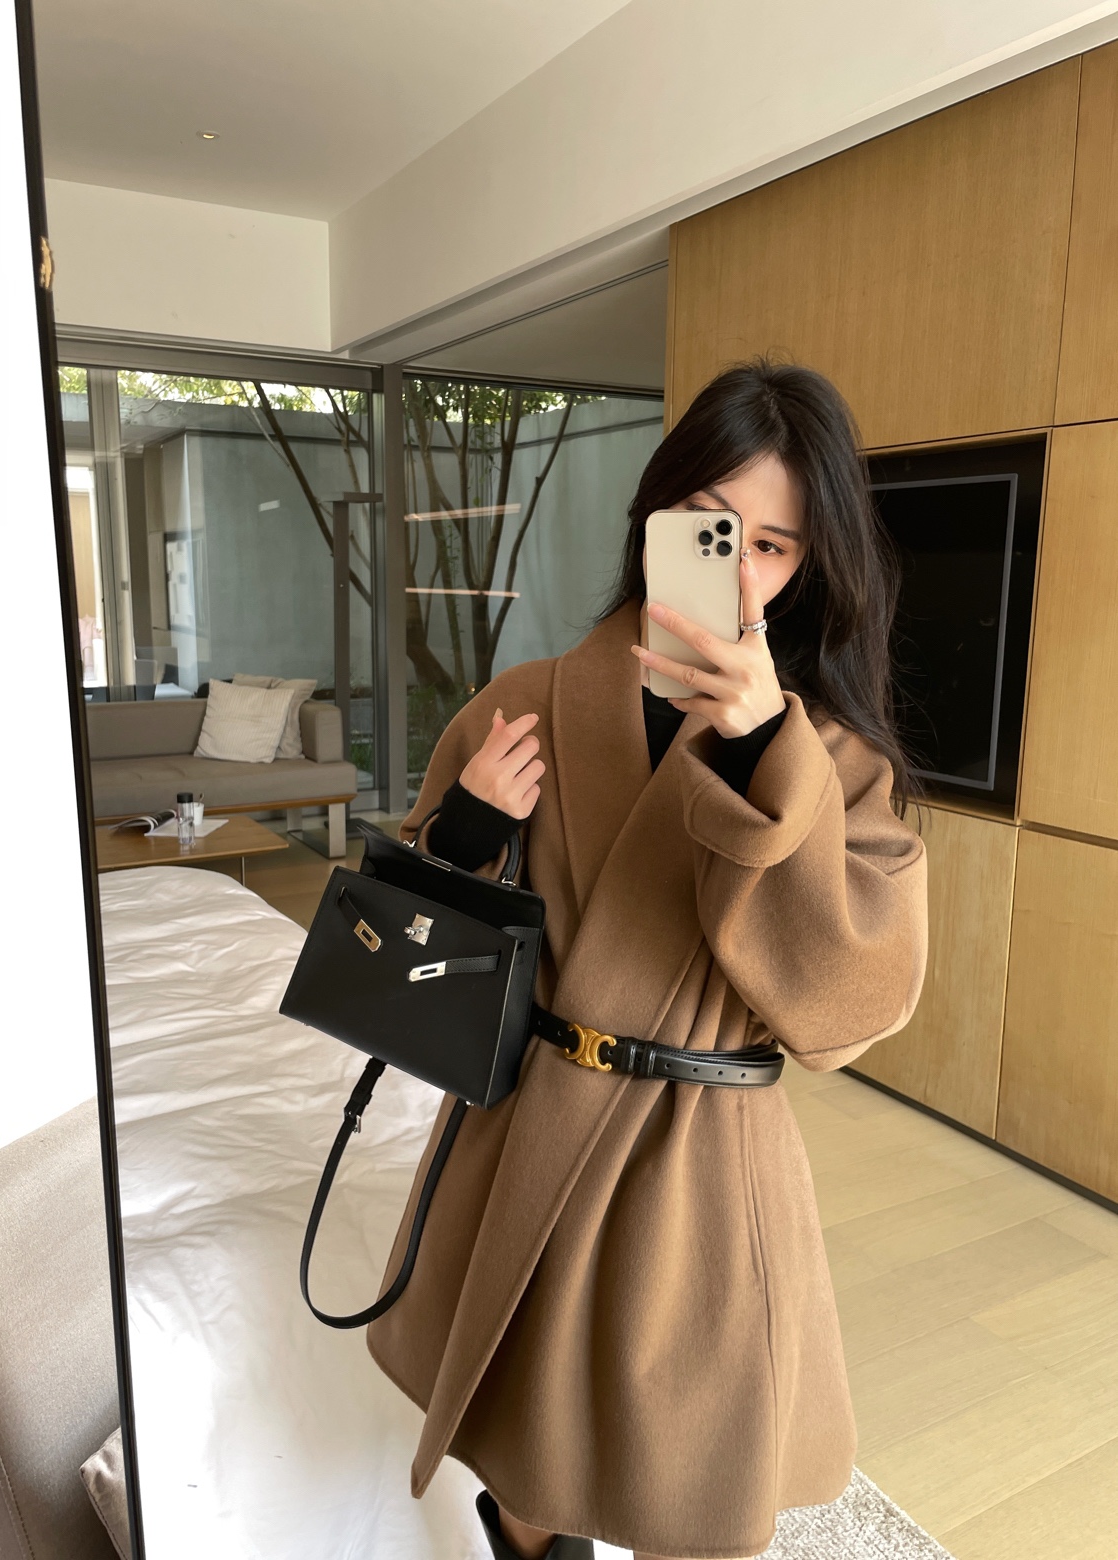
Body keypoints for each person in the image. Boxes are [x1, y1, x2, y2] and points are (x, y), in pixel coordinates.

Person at [366, 358, 928, 1560]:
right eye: (710, 528)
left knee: (693, 1488)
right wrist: (463, 829)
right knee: (527, 1469)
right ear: (656, 519)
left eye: (772, 545)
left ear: (811, 564)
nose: (740, 569)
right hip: (530, 1127)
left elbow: (857, 1004)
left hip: (702, 1164)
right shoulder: (528, 702)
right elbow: (403, 950)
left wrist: (767, 757)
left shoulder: (832, 757)